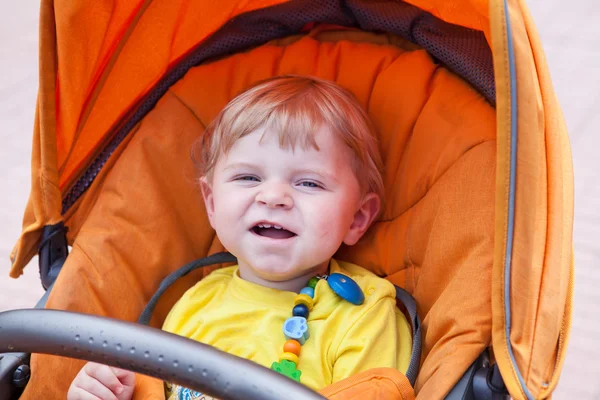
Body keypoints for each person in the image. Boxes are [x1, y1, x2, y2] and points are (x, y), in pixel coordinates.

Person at [67, 75, 412, 400]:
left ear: (357, 217)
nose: (273, 196)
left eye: (308, 183)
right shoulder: (196, 302)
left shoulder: (365, 315)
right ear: (213, 204)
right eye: (248, 177)